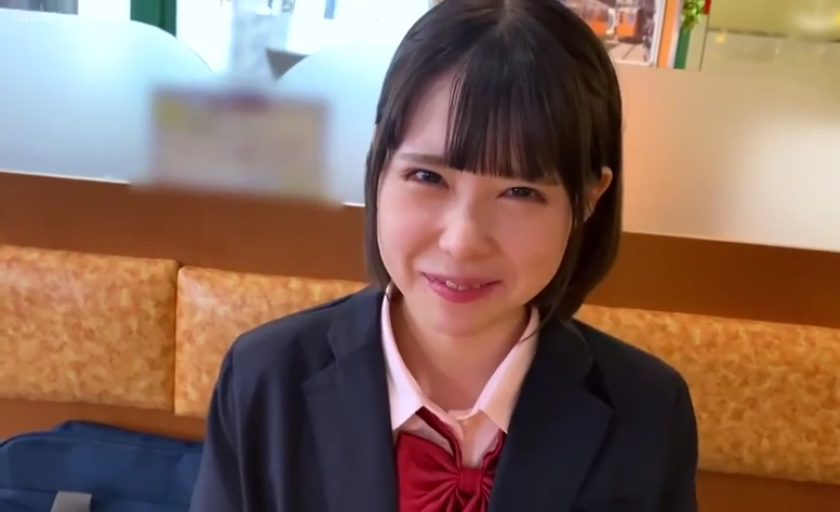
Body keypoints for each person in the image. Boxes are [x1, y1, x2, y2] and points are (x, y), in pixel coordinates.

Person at [189, 0, 698, 510]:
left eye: (520, 192)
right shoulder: (265, 380)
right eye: (428, 177)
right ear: (378, 164)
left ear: (588, 199)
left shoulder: (649, 412)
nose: (462, 240)